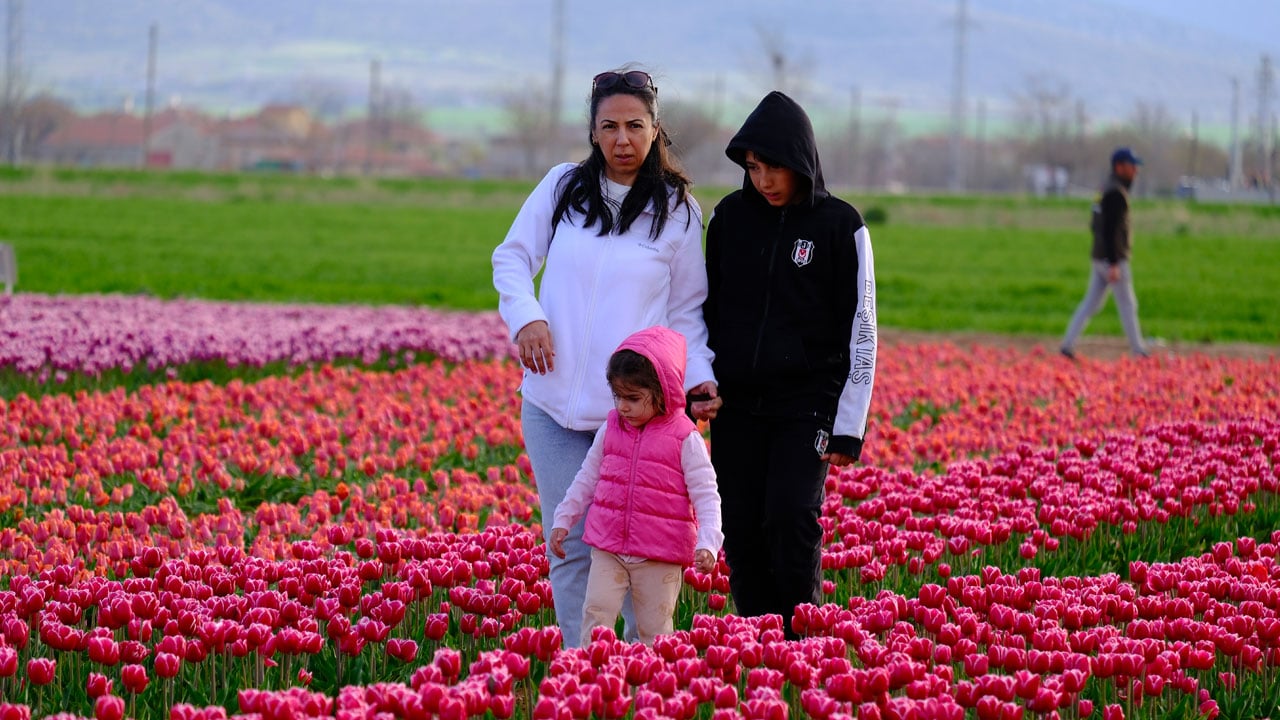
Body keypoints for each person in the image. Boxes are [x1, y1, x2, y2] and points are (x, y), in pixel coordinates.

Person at [491, 67, 720, 649]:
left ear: (655, 130)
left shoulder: (678, 211)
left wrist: (699, 380)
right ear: (593, 131)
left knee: (636, 551)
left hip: (632, 417)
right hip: (550, 406)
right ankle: (582, 669)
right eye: (610, 126)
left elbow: (687, 312)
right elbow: (511, 258)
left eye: (635, 126)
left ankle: (639, 671)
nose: (623, 139)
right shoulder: (562, 188)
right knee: (568, 543)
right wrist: (527, 317)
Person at [702, 91, 877, 639]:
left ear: (801, 159)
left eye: (774, 167)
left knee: (790, 516)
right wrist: (698, 379)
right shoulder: (730, 219)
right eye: (753, 168)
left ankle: (803, 642)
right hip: (737, 404)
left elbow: (862, 328)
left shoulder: (841, 225)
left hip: (807, 405)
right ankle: (758, 642)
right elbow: (705, 308)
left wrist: (848, 425)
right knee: (741, 526)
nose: (763, 180)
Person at [548, 326, 722, 646]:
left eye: (633, 398)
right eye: (617, 396)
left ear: (663, 392)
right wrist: (563, 518)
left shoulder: (685, 438)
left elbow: (706, 495)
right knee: (596, 614)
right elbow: (587, 478)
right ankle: (589, 673)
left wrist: (708, 542)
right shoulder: (611, 427)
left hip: (660, 552)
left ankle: (651, 678)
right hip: (609, 545)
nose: (622, 407)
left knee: (654, 631)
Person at [1060, 147, 1150, 359]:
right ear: (1119, 167)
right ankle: (1138, 350)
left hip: (1099, 256)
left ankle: (1067, 344)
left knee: (1091, 304)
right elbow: (1110, 230)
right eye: (1131, 166)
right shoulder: (1116, 193)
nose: (1136, 170)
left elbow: (1095, 225)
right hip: (1112, 259)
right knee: (1128, 304)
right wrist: (1114, 262)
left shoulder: (1104, 189)